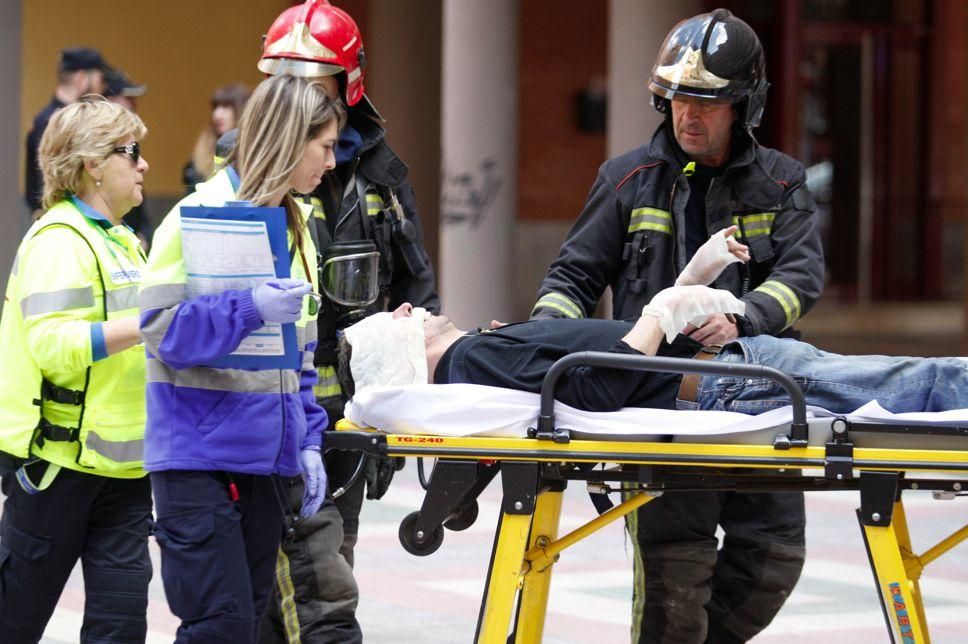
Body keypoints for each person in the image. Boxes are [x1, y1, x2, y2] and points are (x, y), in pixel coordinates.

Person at [530, 9, 825, 642]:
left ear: (743, 106)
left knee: (773, 558)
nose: (688, 115)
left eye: (707, 102)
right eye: (678, 98)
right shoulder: (627, 180)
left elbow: (800, 280)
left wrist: (744, 317)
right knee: (674, 573)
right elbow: (574, 279)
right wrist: (539, 344)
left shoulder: (781, 184)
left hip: (756, 401)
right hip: (660, 405)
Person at [218, 3, 440, 642]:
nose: (297, 99)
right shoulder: (245, 172)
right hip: (261, 421)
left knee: (328, 570)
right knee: (270, 592)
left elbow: (415, 288)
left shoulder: (381, 178)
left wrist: (405, 405)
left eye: (312, 83)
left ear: (348, 86)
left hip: (342, 418)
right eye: (284, 80)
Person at [138, 74, 341, 643]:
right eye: (324, 146)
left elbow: (298, 353)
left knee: (247, 626)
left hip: (266, 464)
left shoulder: (296, 229)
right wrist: (248, 308)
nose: (331, 162)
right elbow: (158, 329)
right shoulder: (195, 216)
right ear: (287, 139)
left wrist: (306, 437)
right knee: (219, 629)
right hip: (198, 462)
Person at [338, 289, 967, 431]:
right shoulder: (472, 360)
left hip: (733, 370)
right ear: (398, 352)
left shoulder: (479, 348)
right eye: (393, 320)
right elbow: (594, 391)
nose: (408, 308)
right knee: (923, 381)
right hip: (733, 385)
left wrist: (689, 286)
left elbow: (591, 370)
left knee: (913, 380)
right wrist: (657, 315)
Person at [0, 96, 151, 643]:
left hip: (128, 474)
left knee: (120, 631)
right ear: (93, 163)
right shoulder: (59, 241)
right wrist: (150, 324)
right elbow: (53, 345)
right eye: (130, 152)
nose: (143, 165)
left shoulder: (123, 242)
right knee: (15, 621)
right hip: (58, 471)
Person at [25, 47, 114, 218]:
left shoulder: (51, 119)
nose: (103, 88)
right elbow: (48, 187)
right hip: (59, 221)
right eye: (100, 80)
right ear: (81, 79)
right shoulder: (54, 123)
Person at [104, 68, 154, 250]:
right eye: (128, 98)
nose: (143, 165)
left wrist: (142, 236)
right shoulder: (64, 238)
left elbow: (140, 214)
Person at [183, 83, 250, 192]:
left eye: (226, 107)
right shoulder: (203, 149)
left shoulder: (252, 149)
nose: (217, 114)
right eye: (215, 107)